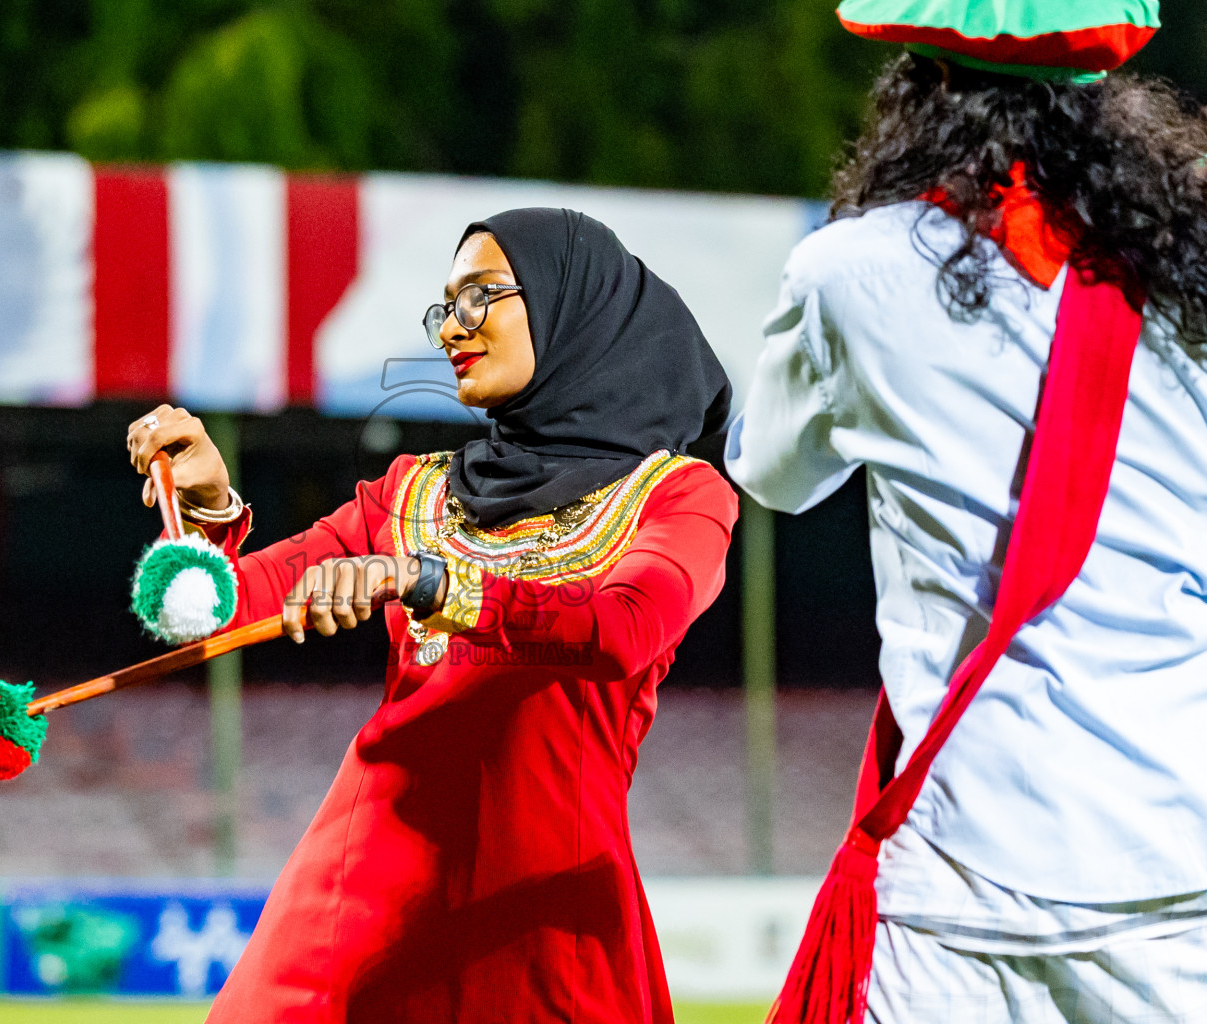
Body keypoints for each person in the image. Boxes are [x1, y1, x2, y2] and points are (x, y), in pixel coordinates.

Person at [127, 208, 736, 1023]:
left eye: (482, 296)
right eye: (446, 305)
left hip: (543, 920)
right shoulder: (411, 492)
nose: (454, 326)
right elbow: (206, 612)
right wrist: (203, 503)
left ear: (572, 307)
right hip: (361, 905)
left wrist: (430, 583)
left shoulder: (677, 496)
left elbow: (626, 628)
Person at [727, 2, 1207, 1020]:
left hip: (959, 879)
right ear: (1107, 102)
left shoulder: (849, 272)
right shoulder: (1187, 280)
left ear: (925, 91)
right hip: (1175, 862)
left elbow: (772, 473)